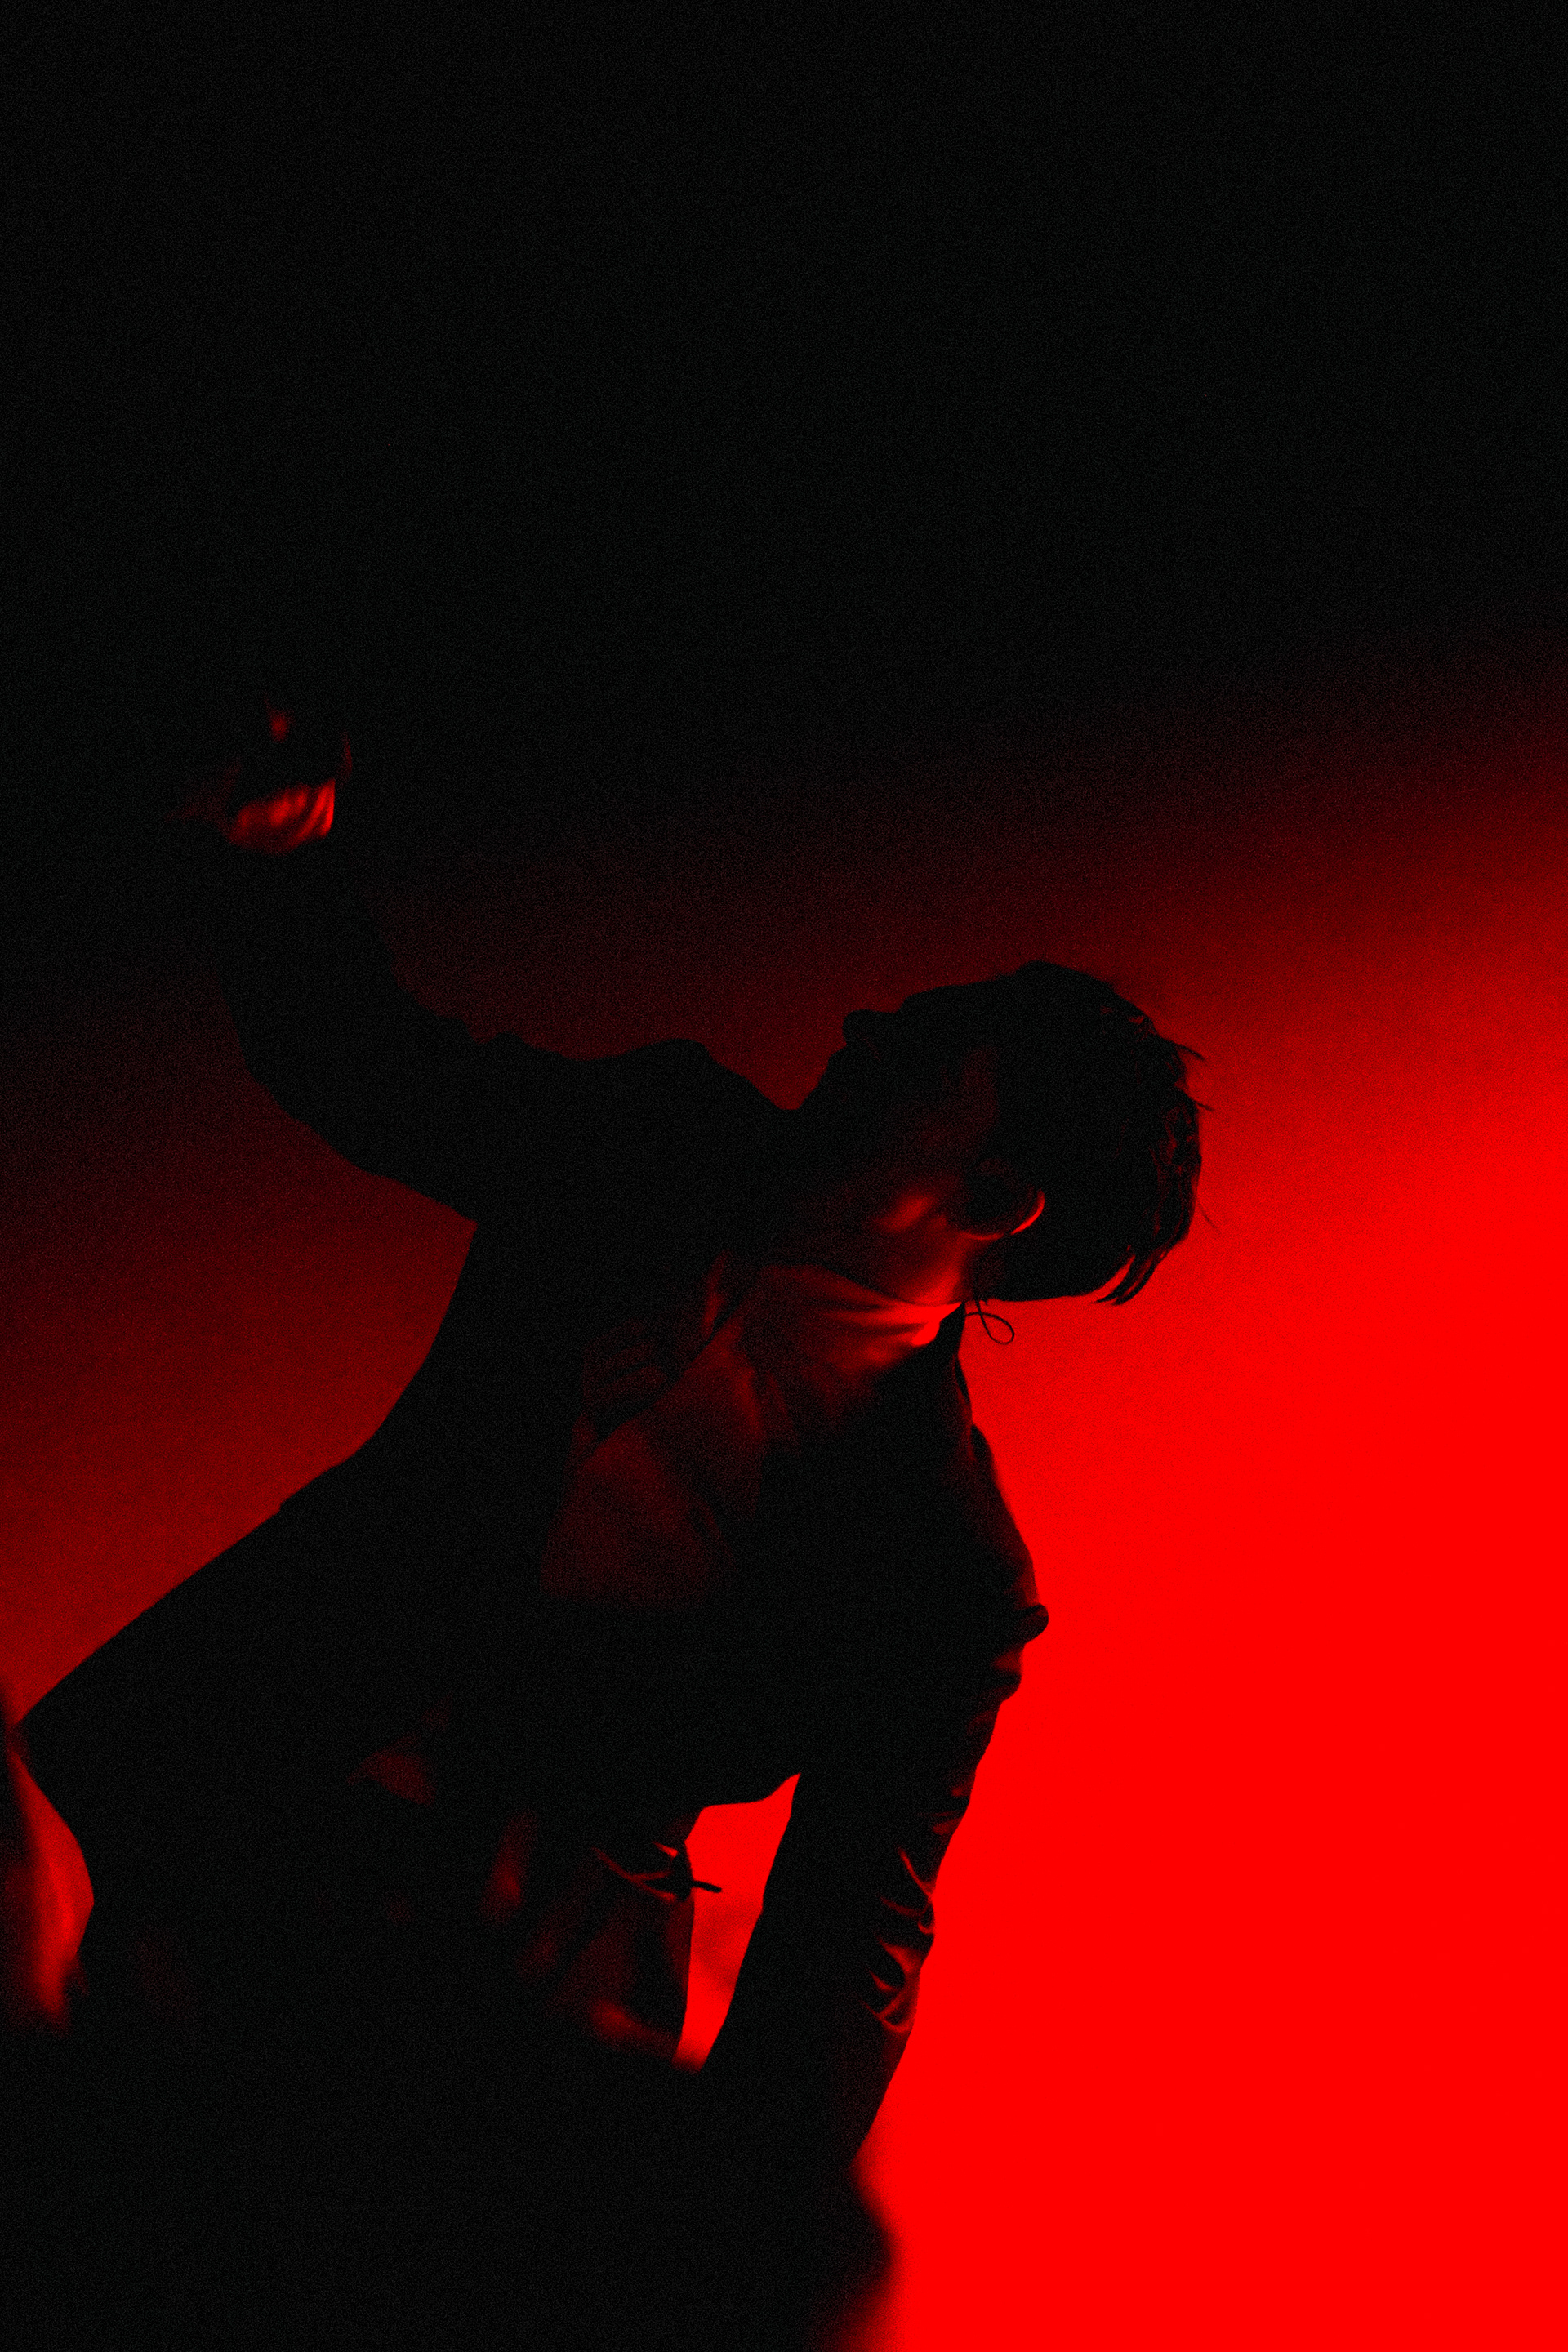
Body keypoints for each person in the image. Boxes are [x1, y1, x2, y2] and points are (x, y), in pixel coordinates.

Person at [4, 702, 1202, 2340]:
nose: (866, 1023)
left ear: (994, 1204)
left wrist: (738, 2249)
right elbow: (372, 1068)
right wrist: (284, 860)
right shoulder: (660, 1138)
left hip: (498, 1976)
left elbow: (852, 1926)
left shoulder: (944, 1574)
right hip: (218, 1760)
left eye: (927, 1051)